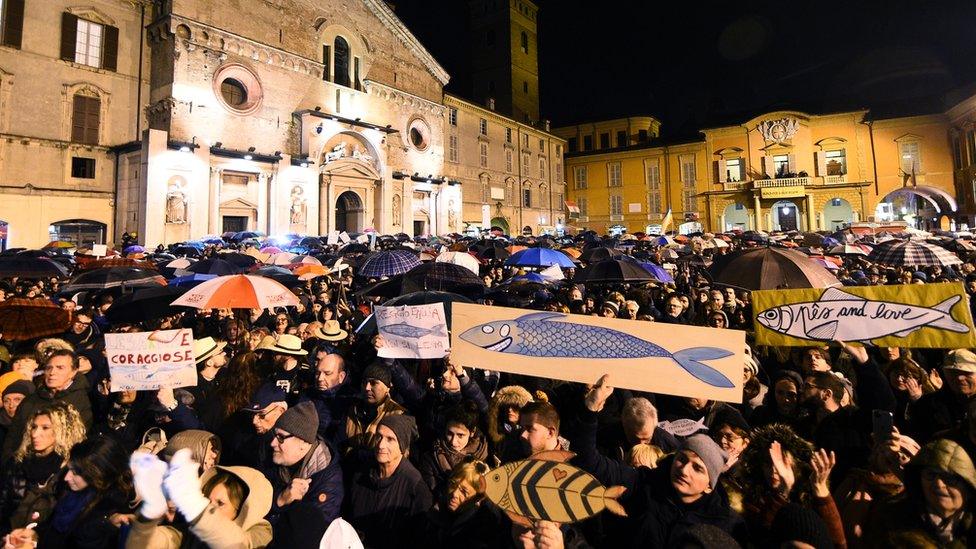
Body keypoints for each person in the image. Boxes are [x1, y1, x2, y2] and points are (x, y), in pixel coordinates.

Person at [570, 374, 745, 547]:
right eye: (682, 459)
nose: (684, 470)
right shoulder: (644, 483)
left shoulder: (724, 524)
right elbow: (588, 462)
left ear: (709, 486)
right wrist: (590, 410)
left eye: (697, 468)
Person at [126, 449, 274, 548]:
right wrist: (147, 517)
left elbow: (238, 544)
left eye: (220, 503)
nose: (210, 507)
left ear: (243, 510)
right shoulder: (197, 531)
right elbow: (154, 543)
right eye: (207, 500)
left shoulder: (262, 531)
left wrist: (193, 503)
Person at [862, 438, 976, 547]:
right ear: (918, 480)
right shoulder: (890, 520)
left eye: (949, 478)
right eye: (930, 475)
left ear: (967, 486)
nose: (938, 484)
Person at [345, 415, 432, 549]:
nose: (380, 445)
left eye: (390, 439)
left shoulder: (415, 487)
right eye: (379, 436)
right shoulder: (360, 475)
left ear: (402, 445)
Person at [0, 402, 87, 532]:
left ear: (63, 430)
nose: (35, 434)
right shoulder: (17, 462)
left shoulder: (71, 471)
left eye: (45, 428)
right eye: (34, 427)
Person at [33, 436, 131, 548]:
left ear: (98, 476)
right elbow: (52, 528)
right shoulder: (73, 491)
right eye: (69, 469)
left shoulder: (103, 519)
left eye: (75, 473)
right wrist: (34, 535)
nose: (66, 477)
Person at [3, 350, 93, 460]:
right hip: (21, 465)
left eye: (60, 368)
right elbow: (13, 437)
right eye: (49, 368)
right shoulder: (30, 400)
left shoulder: (82, 401)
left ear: (73, 372)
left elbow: (75, 442)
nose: (52, 372)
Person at [265, 401, 343, 527]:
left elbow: (312, 530)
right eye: (274, 435)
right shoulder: (271, 459)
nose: (273, 443)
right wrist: (280, 500)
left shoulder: (328, 481)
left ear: (303, 443)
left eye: (281, 437)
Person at [423, 460, 505, 548]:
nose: (455, 493)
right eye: (453, 484)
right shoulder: (432, 514)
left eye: (464, 492)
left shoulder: (477, 536)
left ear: (477, 498)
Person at [418, 401, 488, 494]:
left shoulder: (483, 456)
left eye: (460, 435)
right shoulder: (431, 457)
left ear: (472, 432)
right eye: (449, 433)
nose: (453, 442)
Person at [910, 348, 976, 442]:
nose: (960, 377)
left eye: (966, 372)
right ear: (945, 374)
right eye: (953, 373)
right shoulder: (926, 405)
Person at [345, 362, 407, 455]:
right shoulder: (352, 409)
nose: (367, 388)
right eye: (364, 382)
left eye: (373, 383)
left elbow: (398, 457)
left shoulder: (398, 415)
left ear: (388, 387)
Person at [299, 349, 356, 443]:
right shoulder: (306, 394)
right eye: (317, 373)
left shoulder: (350, 402)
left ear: (341, 376)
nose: (320, 378)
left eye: (327, 373)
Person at [0, 380, 34, 453]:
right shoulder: (1, 426)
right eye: (6, 401)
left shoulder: (37, 424)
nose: (11, 405)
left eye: (17, 399)